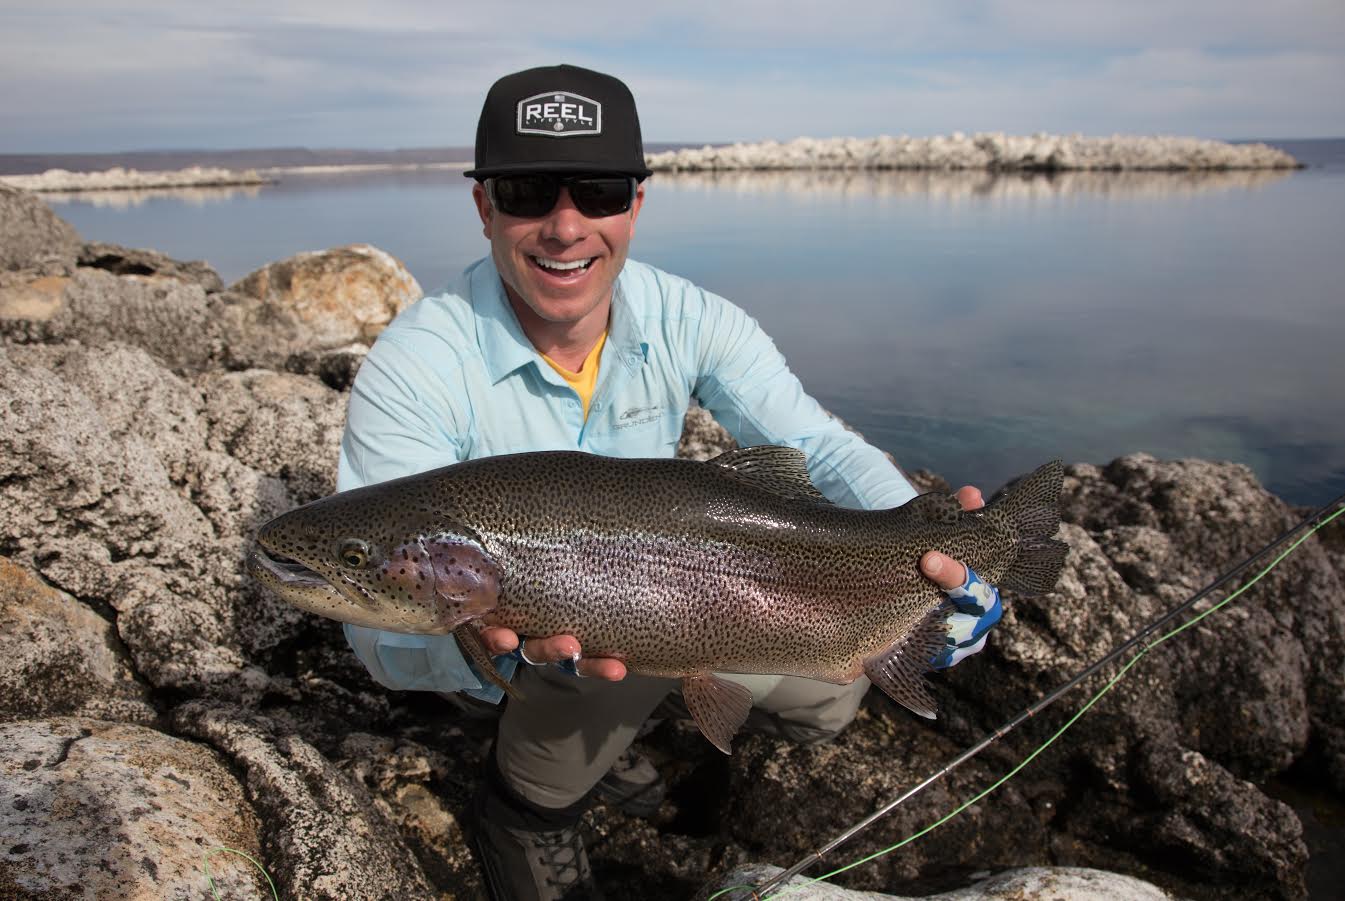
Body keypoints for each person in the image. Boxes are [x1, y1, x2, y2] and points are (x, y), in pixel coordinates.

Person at [336, 64, 1003, 901]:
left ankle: (629, 727)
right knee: (574, 678)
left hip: (671, 585)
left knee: (836, 689)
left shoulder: (691, 318)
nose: (565, 225)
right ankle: (523, 807)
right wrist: (489, 655)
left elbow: (812, 446)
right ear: (484, 205)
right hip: (535, 642)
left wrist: (927, 542)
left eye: (599, 190)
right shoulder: (416, 364)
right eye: (528, 190)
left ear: (637, 202)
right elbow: (375, 633)